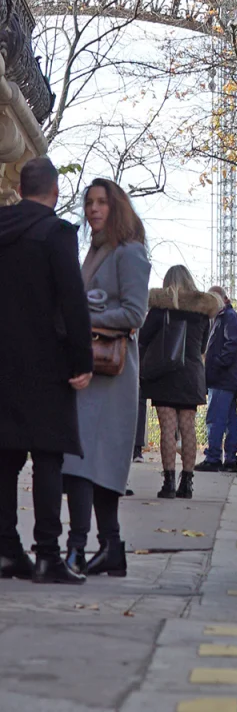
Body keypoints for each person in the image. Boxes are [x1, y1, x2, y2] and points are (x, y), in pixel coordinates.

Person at [0, 158, 93, 585]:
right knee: (48, 459)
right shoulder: (56, 235)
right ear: (54, 192)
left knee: (5, 458)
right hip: (46, 363)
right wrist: (82, 362)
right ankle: (47, 555)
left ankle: (6, 551)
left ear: (19, 190)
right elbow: (73, 303)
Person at [63, 179, 150, 577]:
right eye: (89, 202)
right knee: (83, 460)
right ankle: (105, 547)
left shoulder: (129, 253)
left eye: (101, 202)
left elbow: (134, 314)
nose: (94, 209)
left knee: (94, 461)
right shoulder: (96, 251)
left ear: (116, 208)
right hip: (90, 368)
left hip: (112, 372)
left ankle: (83, 548)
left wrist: (83, 318)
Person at [139, 267, 219, 498]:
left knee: (168, 429)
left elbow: (143, 339)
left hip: (164, 374)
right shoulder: (203, 312)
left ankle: (168, 484)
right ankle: (188, 484)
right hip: (191, 374)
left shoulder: (160, 309)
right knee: (188, 428)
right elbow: (203, 346)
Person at [195, 286, 237, 474]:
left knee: (216, 418)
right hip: (228, 377)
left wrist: (215, 363)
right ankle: (230, 460)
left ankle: (214, 457)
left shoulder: (227, 318)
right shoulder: (226, 317)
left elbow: (232, 345)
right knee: (229, 419)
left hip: (223, 377)